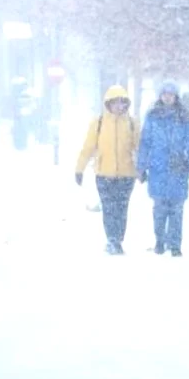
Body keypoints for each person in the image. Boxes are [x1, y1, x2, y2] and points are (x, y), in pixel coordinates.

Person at [138, 82, 189, 257]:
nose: (167, 97)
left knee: (177, 210)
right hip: (158, 169)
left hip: (178, 169)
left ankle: (175, 244)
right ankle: (160, 240)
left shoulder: (184, 118)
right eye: (165, 93)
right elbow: (145, 143)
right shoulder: (152, 117)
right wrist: (141, 166)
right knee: (159, 210)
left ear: (176, 96)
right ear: (160, 95)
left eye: (171, 94)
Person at [75, 85, 140, 254]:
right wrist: (79, 169)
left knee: (121, 209)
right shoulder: (98, 123)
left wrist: (143, 168)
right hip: (104, 174)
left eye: (122, 102)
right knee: (109, 208)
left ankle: (117, 239)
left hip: (126, 174)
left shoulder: (132, 124)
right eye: (116, 102)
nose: (119, 106)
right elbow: (88, 147)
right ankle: (112, 239)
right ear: (108, 104)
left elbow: (139, 147)